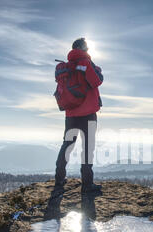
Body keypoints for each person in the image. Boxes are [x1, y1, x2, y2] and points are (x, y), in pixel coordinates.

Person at [54, 38, 103, 195]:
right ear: (83, 49)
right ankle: (87, 184)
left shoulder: (66, 67)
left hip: (71, 115)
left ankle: (59, 179)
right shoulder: (86, 63)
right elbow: (97, 80)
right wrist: (91, 64)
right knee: (88, 149)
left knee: (67, 146)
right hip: (88, 114)